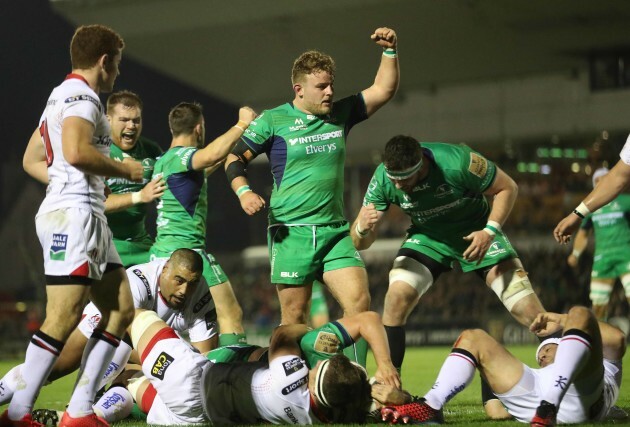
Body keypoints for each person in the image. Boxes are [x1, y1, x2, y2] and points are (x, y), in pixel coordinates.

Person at [223, 27, 400, 364]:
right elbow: (233, 159)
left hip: (334, 232)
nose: (330, 92)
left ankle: (357, 385)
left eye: (332, 84)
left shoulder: (340, 115)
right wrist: (244, 192)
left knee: (360, 305)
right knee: (294, 320)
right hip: (291, 233)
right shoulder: (273, 121)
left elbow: (383, 89)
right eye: (322, 86)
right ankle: (287, 388)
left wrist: (390, 51)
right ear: (299, 89)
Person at [10, 24, 144, 427]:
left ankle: (80, 411)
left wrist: (67, 180)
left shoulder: (58, 96)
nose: (117, 73)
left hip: (85, 213)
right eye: (116, 64)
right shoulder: (83, 97)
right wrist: (122, 168)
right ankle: (17, 413)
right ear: (104, 61)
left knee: (120, 308)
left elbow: (33, 158)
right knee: (64, 316)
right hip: (76, 216)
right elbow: (74, 150)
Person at [350, 135, 548, 376]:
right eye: (394, 179)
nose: (399, 186)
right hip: (428, 238)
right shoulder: (383, 177)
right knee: (395, 298)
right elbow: (360, 243)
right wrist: (361, 228)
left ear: (421, 164)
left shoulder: (458, 162)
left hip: (477, 232)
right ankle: (390, 381)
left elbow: (508, 187)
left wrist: (490, 231)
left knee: (529, 309)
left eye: (405, 179)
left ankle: (563, 372)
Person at [0, 249, 217, 418]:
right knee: (56, 367)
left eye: (192, 283)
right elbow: (117, 338)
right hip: (109, 324)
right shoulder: (137, 283)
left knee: (137, 381)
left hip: (144, 350)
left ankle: (86, 413)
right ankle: (81, 402)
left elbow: (202, 360)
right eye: (178, 280)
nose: (184, 291)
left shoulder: (200, 297)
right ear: (165, 269)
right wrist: (168, 361)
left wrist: (167, 364)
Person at [117, 309, 399, 425]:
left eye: (314, 371)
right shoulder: (337, 412)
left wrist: (304, 329)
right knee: (131, 387)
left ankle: (85, 389)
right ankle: (116, 386)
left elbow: (281, 335)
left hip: (194, 378)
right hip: (198, 420)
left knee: (135, 316)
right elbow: (371, 404)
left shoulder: (291, 379)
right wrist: (396, 397)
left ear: (313, 384)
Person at [376, 306, 625, 425]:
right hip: (535, 400)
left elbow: (617, 339)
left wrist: (563, 320)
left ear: (570, 343)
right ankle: (431, 405)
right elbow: (496, 410)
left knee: (579, 313)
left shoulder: (602, 365)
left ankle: (548, 407)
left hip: (582, 399)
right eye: (540, 354)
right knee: (473, 337)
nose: (543, 355)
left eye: (549, 348)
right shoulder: (541, 372)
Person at [150, 102, 256, 346]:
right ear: (199, 128)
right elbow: (210, 155)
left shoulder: (163, 162)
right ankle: (230, 377)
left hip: (161, 254)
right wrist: (243, 123)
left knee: (166, 324)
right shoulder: (183, 156)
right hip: (187, 252)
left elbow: (207, 166)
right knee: (230, 315)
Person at [103, 91, 165, 267]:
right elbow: (96, 202)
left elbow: (173, 180)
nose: (131, 126)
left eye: (136, 120)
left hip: (141, 244)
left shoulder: (150, 150)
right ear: (108, 120)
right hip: (105, 244)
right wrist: (140, 196)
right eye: (124, 120)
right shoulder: (97, 151)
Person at [566, 167, 630, 321]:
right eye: (597, 180)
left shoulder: (625, 200)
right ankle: (600, 341)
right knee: (598, 306)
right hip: (602, 258)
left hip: (626, 255)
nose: (601, 182)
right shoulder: (591, 207)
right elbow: (583, 233)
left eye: (604, 178)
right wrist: (575, 254)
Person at [555, 136, 630, 243]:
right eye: (597, 181)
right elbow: (618, 178)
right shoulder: (592, 210)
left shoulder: (626, 202)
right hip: (602, 258)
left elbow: (618, 179)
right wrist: (577, 214)